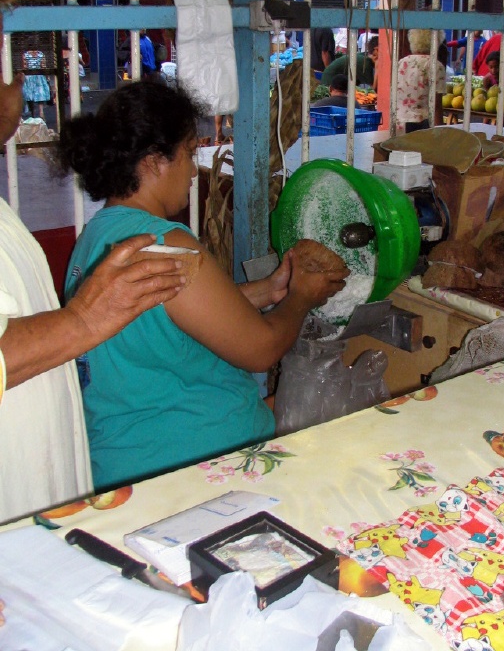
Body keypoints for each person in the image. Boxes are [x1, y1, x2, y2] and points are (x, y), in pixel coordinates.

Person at [56, 81, 348, 491]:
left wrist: (268, 291)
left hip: (125, 464)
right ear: (154, 161)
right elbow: (261, 350)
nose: (194, 171)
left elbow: (165, 319)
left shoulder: (97, 237)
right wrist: (301, 298)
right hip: (197, 469)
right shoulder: (167, 245)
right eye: (190, 152)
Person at [0, 56, 187, 524]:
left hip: (43, 493)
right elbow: (259, 348)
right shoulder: (155, 236)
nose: (16, 82)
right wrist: (83, 319)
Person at [396, 28, 446, 132]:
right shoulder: (435, 66)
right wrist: (439, 132)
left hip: (399, 122)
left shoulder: (401, 63)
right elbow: (436, 105)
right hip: (423, 124)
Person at [22, 48, 51, 119]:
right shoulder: (40, 54)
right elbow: (43, 66)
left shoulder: (25, 55)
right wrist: (47, 76)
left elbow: (25, 67)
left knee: (30, 95)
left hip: (29, 76)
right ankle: (41, 112)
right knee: (40, 94)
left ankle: (32, 114)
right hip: (39, 75)